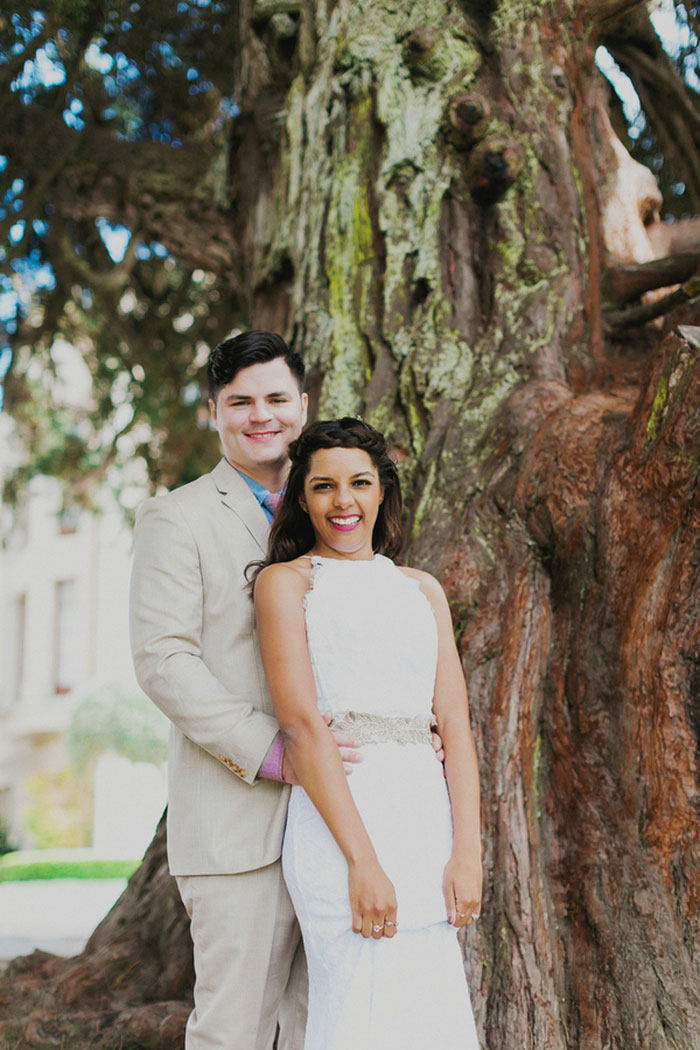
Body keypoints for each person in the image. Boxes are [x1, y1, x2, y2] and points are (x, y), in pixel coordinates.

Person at [130, 331, 358, 1050]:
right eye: (241, 402)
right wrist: (272, 752)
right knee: (235, 1031)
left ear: (304, 404)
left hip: (340, 817)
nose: (262, 415)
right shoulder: (178, 517)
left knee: (322, 1023)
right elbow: (164, 661)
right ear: (215, 411)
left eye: (276, 399)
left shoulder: (340, 510)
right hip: (239, 822)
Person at [252, 417, 483, 1050]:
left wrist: (468, 850)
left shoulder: (421, 589)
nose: (343, 502)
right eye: (324, 487)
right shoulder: (286, 583)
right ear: (302, 496)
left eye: (359, 483)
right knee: (359, 1003)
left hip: (425, 821)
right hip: (341, 824)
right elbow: (300, 727)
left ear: (382, 491)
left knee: (430, 1005)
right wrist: (362, 862)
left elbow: (456, 726)